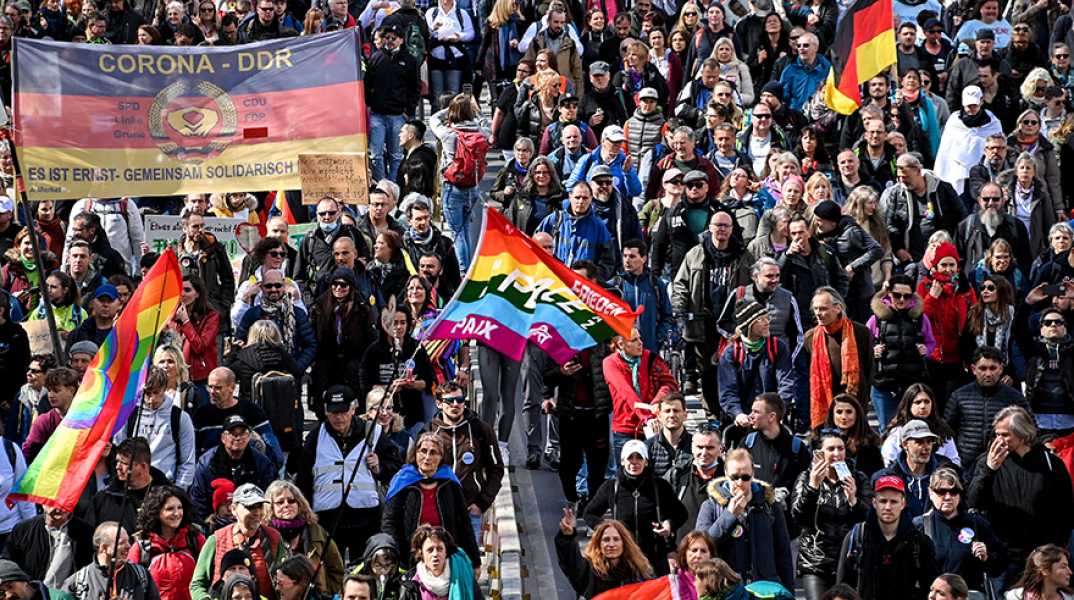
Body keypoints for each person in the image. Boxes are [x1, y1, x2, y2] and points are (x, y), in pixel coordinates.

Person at [967, 407, 1074, 590]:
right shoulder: (987, 462)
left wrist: (1057, 546)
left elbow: (1066, 509)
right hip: (1005, 559)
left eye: (1005, 435)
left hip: (1044, 558)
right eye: (996, 434)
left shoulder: (1051, 464)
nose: (999, 440)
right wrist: (989, 469)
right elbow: (974, 502)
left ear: (1022, 434)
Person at [673, 211, 754, 417]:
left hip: (734, 324)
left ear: (732, 229)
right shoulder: (695, 254)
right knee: (708, 371)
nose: (722, 229)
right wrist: (679, 309)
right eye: (718, 225)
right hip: (703, 323)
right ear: (709, 228)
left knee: (733, 370)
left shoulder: (743, 255)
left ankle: (733, 412)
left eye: (726, 226)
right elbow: (681, 284)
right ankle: (712, 414)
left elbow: (754, 286)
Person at [695, 448, 795, 588]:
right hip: (727, 588)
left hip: (765, 588)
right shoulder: (711, 506)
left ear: (753, 475)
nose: (740, 483)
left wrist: (788, 593)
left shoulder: (770, 506)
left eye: (745, 477)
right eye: (735, 477)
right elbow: (704, 547)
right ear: (726, 474)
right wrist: (730, 515)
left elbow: (783, 553)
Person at [793, 429, 873, 600]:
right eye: (831, 449)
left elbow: (871, 519)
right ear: (819, 453)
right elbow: (799, 517)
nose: (837, 454)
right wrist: (812, 488)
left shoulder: (858, 478)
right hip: (816, 562)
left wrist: (854, 501)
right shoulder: (806, 478)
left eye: (841, 448)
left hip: (850, 561)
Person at [381, 433, 480, 569]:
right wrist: (394, 554)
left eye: (433, 453)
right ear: (415, 453)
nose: (427, 457)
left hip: (446, 557)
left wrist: (475, 562)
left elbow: (464, 522)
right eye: (423, 451)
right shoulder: (403, 481)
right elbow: (390, 522)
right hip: (410, 558)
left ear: (441, 457)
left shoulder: (450, 482)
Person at [424, 381, 504, 547]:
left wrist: (482, 504)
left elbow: (496, 470)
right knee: (441, 567)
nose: (456, 404)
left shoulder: (481, 430)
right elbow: (417, 471)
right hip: (438, 513)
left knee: (468, 566)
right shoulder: (428, 432)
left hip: (471, 512)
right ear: (438, 404)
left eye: (460, 400)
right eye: (449, 401)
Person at [835, 475, 940, 600]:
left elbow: (930, 589)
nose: (888, 507)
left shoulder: (920, 542)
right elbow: (842, 588)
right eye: (883, 501)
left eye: (894, 502)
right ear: (874, 503)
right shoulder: (857, 537)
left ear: (903, 504)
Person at [913, 468, 1008, 592]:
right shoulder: (919, 526)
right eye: (941, 491)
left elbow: (1000, 565)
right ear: (931, 493)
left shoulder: (976, 524)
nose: (948, 497)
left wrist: (987, 558)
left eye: (954, 491)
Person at [190, 484, 288, 600]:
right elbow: (197, 585)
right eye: (250, 507)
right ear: (234, 509)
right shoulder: (216, 540)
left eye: (260, 506)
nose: (257, 512)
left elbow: (283, 580)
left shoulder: (274, 538)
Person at [430, 96, 492, 271]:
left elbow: (433, 119)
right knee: (465, 231)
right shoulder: (479, 133)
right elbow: (489, 128)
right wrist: (477, 110)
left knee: (457, 233)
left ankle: (463, 271)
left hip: (453, 186)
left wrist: (449, 109)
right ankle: (468, 268)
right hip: (472, 186)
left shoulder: (450, 134)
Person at [867, 275, 936, 431]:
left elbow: (931, 342)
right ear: (889, 293)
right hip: (883, 385)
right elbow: (862, 347)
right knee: (887, 429)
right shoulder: (876, 319)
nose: (902, 300)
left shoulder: (920, 319)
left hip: (912, 385)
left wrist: (927, 351)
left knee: (914, 428)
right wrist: (873, 350)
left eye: (907, 296)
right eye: (897, 295)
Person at [307, 268, 377, 419]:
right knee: (325, 406)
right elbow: (310, 337)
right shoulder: (319, 307)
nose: (338, 288)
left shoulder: (362, 309)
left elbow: (371, 340)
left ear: (351, 287)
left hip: (353, 364)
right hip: (326, 364)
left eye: (343, 285)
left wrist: (364, 365)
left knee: (354, 406)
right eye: (335, 283)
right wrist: (314, 362)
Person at [945, 347, 1030, 469]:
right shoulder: (959, 396)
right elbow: (946, 431)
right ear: (974, 369)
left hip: (1005, 466)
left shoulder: (1015, 398)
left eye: (993, 368)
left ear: (1001, 369)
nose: (988, 373)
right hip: (966, 466)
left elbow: (1029, 431)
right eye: (983, 368)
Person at [604, 327, 678, 466]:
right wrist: (646, 417)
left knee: (654, 474)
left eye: (640, 338)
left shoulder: (652, 359)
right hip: (625, 428)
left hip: (654, 427)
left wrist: (657, 402)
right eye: (634, 340)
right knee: (627, 476)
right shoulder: (610, 362)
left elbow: (670, 384)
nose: (640, 343)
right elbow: (626, 392)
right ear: (621, 345)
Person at [113, 366, 196, 488]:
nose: (152, 399)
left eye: (157, 392)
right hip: (134, 485)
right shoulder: (129, 415)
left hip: (165, 486)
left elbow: (188, 461)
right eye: (147, 393)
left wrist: (179, 490)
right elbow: (119, 452)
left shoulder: (180, 418)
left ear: (165, 388)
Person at [803, 287, 874, 429]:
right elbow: (808, 374)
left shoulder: (860, 333)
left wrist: (861, 402)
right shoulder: (810, 338)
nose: (818, 314)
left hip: (855, 407)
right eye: (816, 309)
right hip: (825, 408)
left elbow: (869, 369)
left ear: (838, 308)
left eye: (823, 309)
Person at [190, 367, 284, 472]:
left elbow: (272, 448)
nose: (212, 392)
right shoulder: (201, 414)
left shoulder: (251, 410)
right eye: (209, 387)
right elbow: (193, 450)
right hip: (211, 474)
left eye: (218, 388)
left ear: (232, 387)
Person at [918, 243, 978, 406]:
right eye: (943, 265)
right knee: (934, 401)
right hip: (932, 356)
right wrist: (932, 297)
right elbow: (919, 319)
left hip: (957, 356)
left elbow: (974, 317)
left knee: (953, 402)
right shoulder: (925, 286)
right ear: (935, 266)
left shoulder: (965, 288)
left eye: (952, 264)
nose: (948, 269)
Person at [716, 303, 794, 424]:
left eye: (767, 318)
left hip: (772, 415)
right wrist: (738, 414)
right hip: (744, 415)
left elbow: (786, 383)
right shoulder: (732, 353)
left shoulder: (778, 347)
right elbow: (727, 390)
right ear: (747, 326)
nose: (767, 322)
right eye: (760, 320)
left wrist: (778, 410)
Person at [261, 482, 343, 596]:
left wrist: (327, 596)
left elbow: (336, 570)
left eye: (291, 500)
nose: (286, 505)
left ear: (299, 503)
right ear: (271, 507)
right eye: (280, 502)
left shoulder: (316, 531)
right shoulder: (265, 536)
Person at [189, 414, 276, 519]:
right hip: (214, 524)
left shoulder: (262, 463)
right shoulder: (206, 463)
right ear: (223, 438)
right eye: (232, 434)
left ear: (248, 437)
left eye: (242, 433)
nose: (238, 438)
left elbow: (267, 501)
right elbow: (198, 502)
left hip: (250, 522)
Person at [812, 200, 884, 322]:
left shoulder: (851, 231)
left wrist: (852, 267)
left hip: (860, 293)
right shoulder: (824, 234)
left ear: (833, 223)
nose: (816, 223)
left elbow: (877, 250)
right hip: (841, 292)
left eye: (820, 220)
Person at [233, 269, 318, 373]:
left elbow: (310, 346)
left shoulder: (297, 313)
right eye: (268, 286)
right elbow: (239, 345)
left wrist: (297, 368)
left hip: (289, 377)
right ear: (261, 287)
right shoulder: (252, 314)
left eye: (278, 285)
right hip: (258, 377)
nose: (274, 289)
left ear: (283, 286)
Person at [128, 486, 204, 600]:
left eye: (180, 508)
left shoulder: (195, 539)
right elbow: (130, 585)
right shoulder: (141, 547)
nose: (177, 513)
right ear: (156, 512)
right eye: (170, 509)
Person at [556, 513, 651, 599]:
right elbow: (570, 563)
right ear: (599, 544)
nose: (611, 544)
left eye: (616, 539)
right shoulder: (588, 571)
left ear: (625, 543)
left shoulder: (638, 572)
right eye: (606, 540)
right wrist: (567, 537)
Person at [61, 521, 160, 600]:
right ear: (103, 548)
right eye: (122, 542)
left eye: (128, 541)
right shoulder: (77, 583)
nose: (129, 546)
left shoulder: (141, 575)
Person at [935, 87, 1006, 196]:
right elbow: (945, 151)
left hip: (984, 174)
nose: (971, 108)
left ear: (981, 101)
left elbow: (1000, 147)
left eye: (975, 104)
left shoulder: (993, 123)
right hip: (958, 173)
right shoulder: (954, 122)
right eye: (968, 105)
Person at [2, 506, 94, 588]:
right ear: (43, 503)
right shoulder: (23, 530)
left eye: (65, 502)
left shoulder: (86, 532)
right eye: (53, 502)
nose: (59, 508)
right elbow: (9, 565)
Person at [882, 384, 960, 467]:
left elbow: (954, 461)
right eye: (918, 402)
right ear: (909, 405)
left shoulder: (942, 430)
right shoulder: (897, 433)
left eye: (927, 402)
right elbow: (888, 461)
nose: (923, 406)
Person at [779, 32, 830, 110]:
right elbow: (783, 98)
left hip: (819, 116)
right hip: (796, 116)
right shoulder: (790, 70)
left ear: (816, 48)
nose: (801, 48)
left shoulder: (827, 68)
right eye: (799, 46)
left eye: (805, 45)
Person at [64, 284, 120, 353]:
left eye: (110, 301)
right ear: (94, 303)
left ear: (119, 305)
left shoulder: (123, 335)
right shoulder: (78, 334)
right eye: (101, 300)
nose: (105, 305)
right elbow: (68, 360)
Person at [1005, 545, 1074, 600]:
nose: (1070, 572)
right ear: (1045, 571)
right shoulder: (1015, 597)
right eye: (1063, 566)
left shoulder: (1070, 597)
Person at [0, 560, 74, 600]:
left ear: (24, 581)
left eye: (10, 586)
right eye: (1, 592)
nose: (9, 595)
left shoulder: (59, 598)